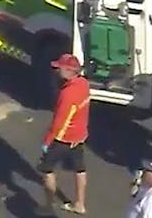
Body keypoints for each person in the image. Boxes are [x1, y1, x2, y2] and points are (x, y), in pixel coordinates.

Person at [40, 53, 90, 215]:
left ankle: (48, 207)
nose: (56, 70)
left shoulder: (67, 94)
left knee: (47, 170)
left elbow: (59, 122)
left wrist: (47, 142)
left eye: (59, 68)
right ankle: (80, 204)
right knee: (80, 169)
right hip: (79, 135)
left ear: (69, 71)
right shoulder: (84, 84)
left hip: (63, 139)